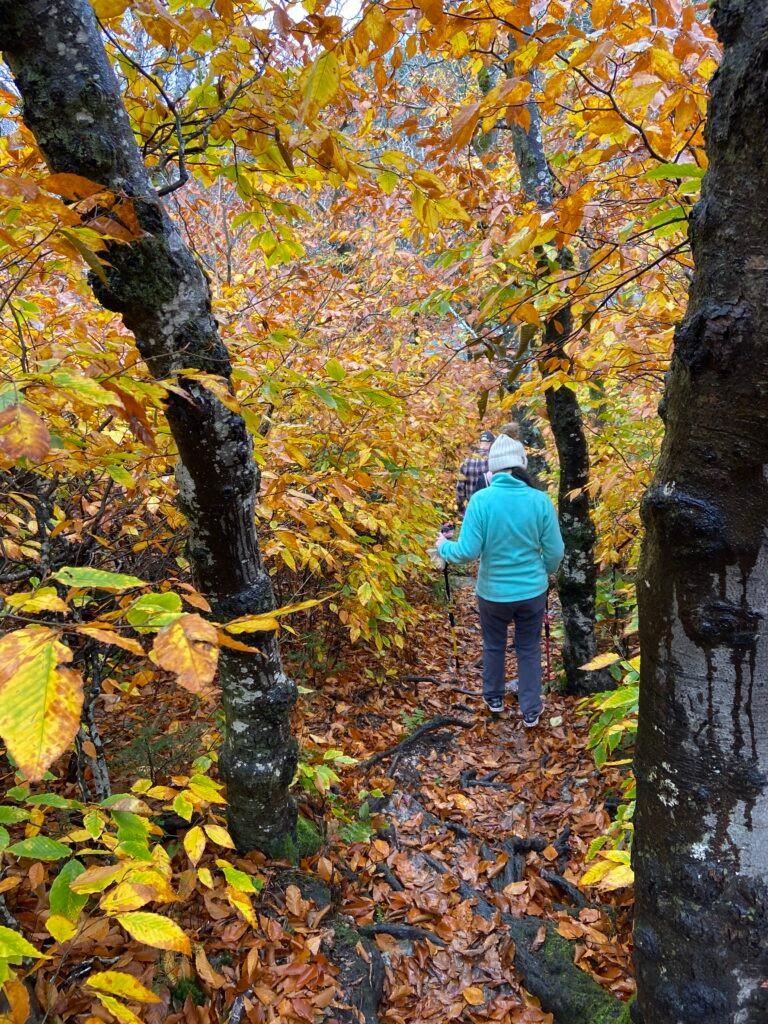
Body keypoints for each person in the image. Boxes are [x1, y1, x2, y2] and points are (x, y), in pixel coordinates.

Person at [436, 433, 564, 726]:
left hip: (492, 593)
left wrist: (443, 547)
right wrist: (543, 571)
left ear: (493, 468)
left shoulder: (481, 500)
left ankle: (493, 698)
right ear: (521, 466)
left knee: (493, 645)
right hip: (532, 592)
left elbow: (467, 552)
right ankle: (531, 709)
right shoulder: (539, 500)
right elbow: (556, 551)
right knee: (528, 648)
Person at [455, 430, 495, 514]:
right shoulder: (493, 460)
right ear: (492, 444)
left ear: (480, 443)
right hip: (489, 508)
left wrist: (461, 508)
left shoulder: (466, 461)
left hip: (472, 507)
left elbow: (460, 488)